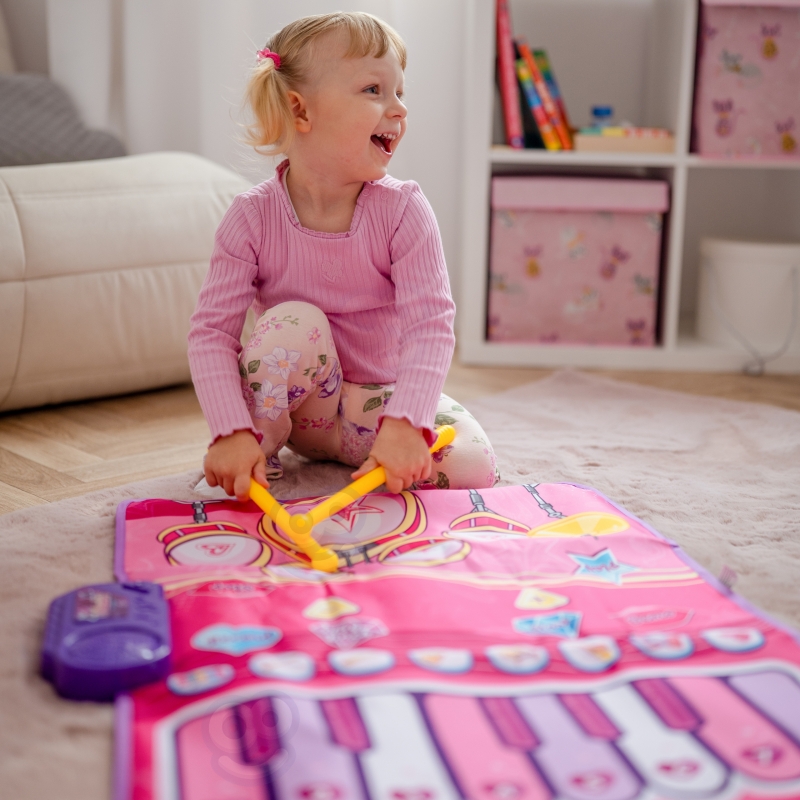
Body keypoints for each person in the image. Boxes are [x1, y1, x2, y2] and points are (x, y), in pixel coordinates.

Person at [188, 11, 498, 502]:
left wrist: (407, 425)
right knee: (293, 323)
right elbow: (211, 334)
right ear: (301, 111)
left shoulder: (403, 210)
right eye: (374, 90)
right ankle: (258, 449)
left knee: (473, 464)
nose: (399, 108)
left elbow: (430, 326)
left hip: (378, 405)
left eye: (400, 92)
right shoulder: (251, 218)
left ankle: (381, 451)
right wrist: (230, 431)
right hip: (300, 411)